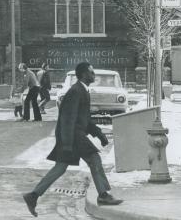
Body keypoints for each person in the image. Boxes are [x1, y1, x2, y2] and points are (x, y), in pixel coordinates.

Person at [23, 61, 123, 217]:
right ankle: (103, 195)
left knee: (60, 168)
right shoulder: (76, 91)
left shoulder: (82, 90)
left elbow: (83, 118)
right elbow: (68, 119)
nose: (93, 75)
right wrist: (68, 144)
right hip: (74, 137)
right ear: (83, 74)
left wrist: (98, 133)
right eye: (91, 72)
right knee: (95, 159)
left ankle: (33, 196)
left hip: (72, 136)